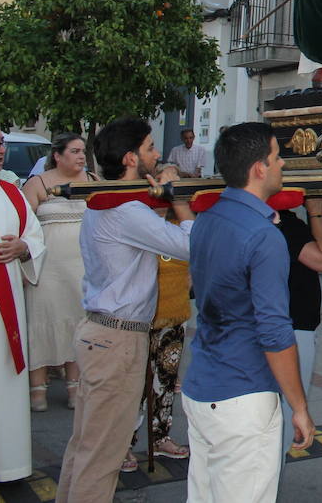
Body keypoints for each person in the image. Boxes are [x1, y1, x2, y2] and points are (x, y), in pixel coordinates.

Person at [56, 117, 194, 503]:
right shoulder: (124, 210)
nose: (157, 155)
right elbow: (188, 246)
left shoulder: (112, 202)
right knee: (103, 456)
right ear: (132, 158)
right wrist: (180, 201)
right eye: (151, 148)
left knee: (86, 447)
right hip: (117, 339)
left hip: (104, 334)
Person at [182, 122, 313, 502]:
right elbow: (274, 331)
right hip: (243, 397)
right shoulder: (263, 236)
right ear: (259, 168)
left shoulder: (207, 220)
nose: (282, 164)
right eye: (276, 157)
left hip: (202, 386)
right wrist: (299, 406)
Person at [121, 163, 192, 473]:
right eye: (165, 182)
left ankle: (160, 436)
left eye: (176, 183)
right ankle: (122, 443)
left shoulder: (184, 222)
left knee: (165, 380)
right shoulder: (141, 220)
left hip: (174, 316)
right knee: (133, 385)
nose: (170, 189)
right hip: (141, 317)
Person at [0, 121, 45, 486]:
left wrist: (24, 248)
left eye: (1, 142)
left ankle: (7, 466)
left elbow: (35, 236)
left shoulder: (11, 193)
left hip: (5, 310)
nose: (1, 150)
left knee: (3, 385)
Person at [22, 132, 92, 412]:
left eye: (83, 151)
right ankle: (38, 389)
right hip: (49, 267)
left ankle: (75, 388)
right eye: (74, 151)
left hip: (84, 268)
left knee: (77, 322)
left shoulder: (93, 181)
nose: (81, 156)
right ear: (57, 156)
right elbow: (24, 226)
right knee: (44, 322)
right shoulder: (38, 183)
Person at [274, 194, 322, 453]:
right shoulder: (285, 225)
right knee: (285, 421)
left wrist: (320, 212)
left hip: (289, 326)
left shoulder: (282, 223)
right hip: (292, 329)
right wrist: (316, 213)